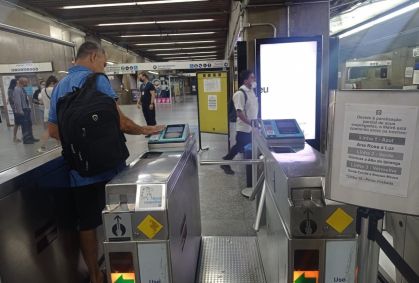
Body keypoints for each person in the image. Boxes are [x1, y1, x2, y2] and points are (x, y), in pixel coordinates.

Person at [48, 41, 164, 283]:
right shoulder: (98, 80)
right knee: (119, 220)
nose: (103, 66)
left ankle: (95, 276)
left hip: (80, 172)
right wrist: (145, 130)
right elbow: (121, 123)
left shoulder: (59, 87)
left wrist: (80, 145)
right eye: (103, 61)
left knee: (87, 223)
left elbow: (52, 130)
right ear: (92, 57)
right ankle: (125, 274)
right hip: (112, 170)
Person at [221, 70, 259, 175]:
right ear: (246, 80)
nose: (254, 80)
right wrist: (250, 123)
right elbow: (239, 113)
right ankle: (225, 162)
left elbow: (253, 108)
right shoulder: (240, 94)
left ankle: (252, 167)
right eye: (252, 77)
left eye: (254, 77)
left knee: (242, 146)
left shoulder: (251, 91)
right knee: (239, 146)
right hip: (244, 127)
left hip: (252, 126)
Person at [13, 77, 39, 144]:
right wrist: (20, 111)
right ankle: (26, 140)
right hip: (23, 110)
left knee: (29, 124)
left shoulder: (22, 88)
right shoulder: (17, 89)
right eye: (26, 82)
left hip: (26, 109)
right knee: (25, 126)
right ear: (23, 82)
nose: (27, 83)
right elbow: (17, 102)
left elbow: (25, 99)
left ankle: (31, 138)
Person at [37, 75, 58, 153]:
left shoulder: (43, 90)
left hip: (46, 112)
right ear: (52, 82)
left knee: (50, 129)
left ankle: (57, 144)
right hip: (54, 112)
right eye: (56, 83)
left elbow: (40, 100)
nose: (56, 85)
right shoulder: (53, 89)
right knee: (50, 130)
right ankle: (42, 146)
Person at [7, 79, 21, 143]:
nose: (18, 84)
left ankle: (16, 137)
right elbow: (12, 100)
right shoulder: (10, 90)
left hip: (18, 108)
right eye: (17, 83)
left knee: (18, 123)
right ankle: (14, 137)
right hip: (16, 109)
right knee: (17, 123)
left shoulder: (15, 89)